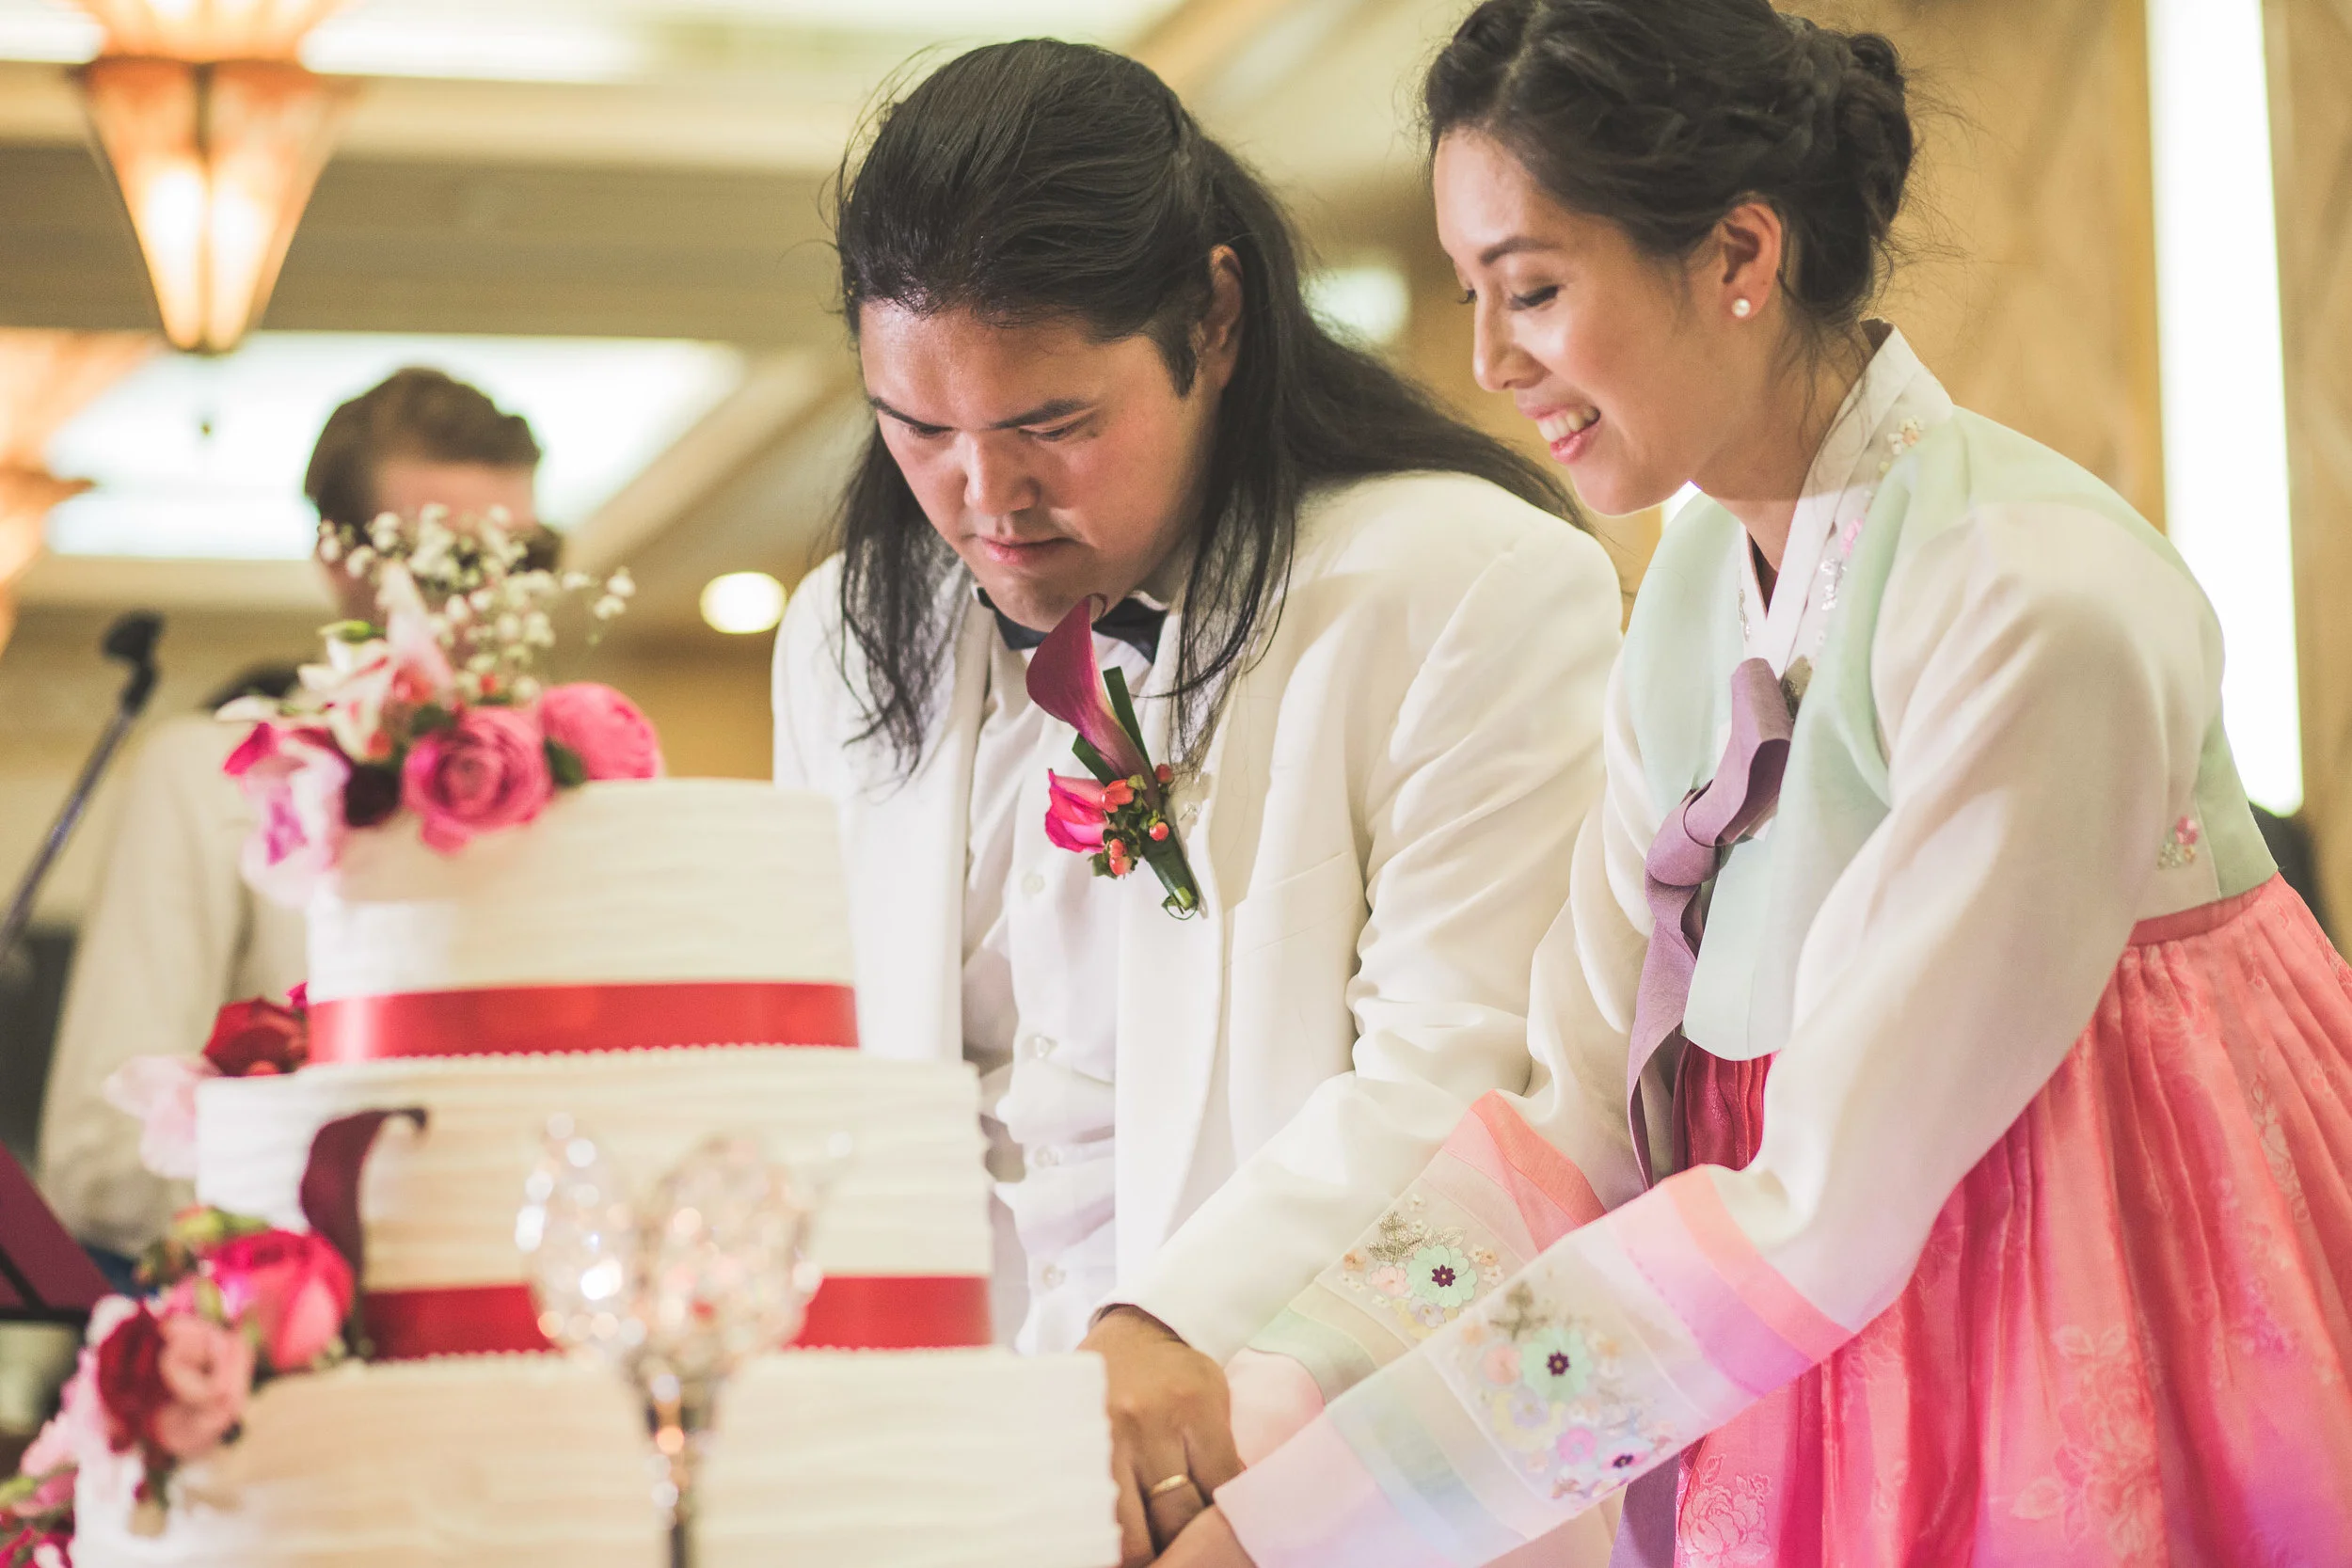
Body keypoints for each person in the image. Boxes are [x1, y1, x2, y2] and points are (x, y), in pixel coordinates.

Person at [1165, 2, 2352, 1563]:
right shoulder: (1694, 585)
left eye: (1533, 288)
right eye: (1471, 294)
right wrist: (1259, 1415)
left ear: (1740, 252)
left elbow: (1827, 1199)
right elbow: (1577, 1109)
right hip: (1802, 1332)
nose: (1491, 360)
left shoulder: (2032, 598)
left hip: (2071, 1295)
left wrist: (1309, 1528)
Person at [768, 39, 1624, 1565]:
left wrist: (1173, 1325)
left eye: (1052, 424)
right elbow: (822, 1076)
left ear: (1214, 321)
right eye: (920, 430)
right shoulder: (844, 634)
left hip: (1311, 1470)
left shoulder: (1461, 583)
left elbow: (1468, 1074)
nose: (985, 498)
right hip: (938, 1477)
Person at [38, 368, 542, 1271]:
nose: (484, 601)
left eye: (522, 561)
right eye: (445, 562)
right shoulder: (204, 782)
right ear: (338, 557)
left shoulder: (579, 791)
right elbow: (102, 1156)